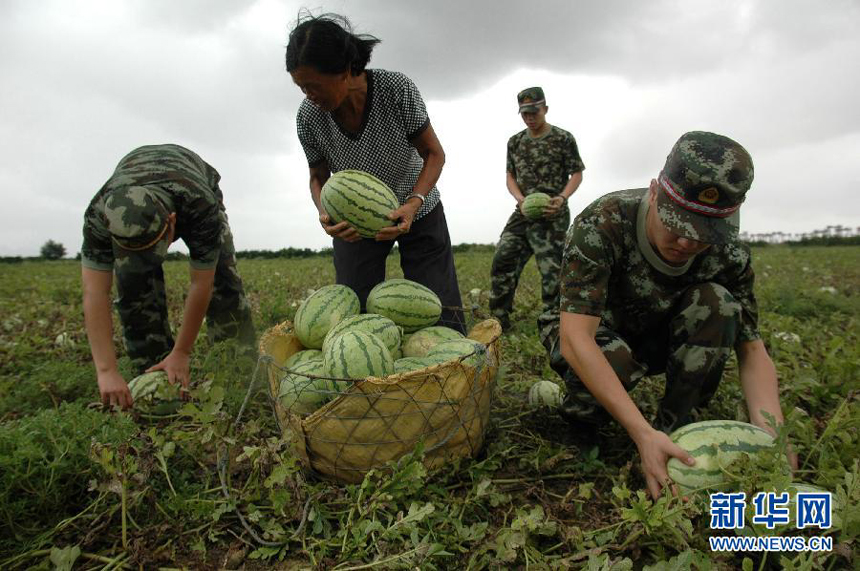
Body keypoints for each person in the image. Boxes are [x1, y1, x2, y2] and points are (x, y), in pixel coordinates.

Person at [546, 131, 797, 499]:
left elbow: (753, 352)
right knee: (612, 358)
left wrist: (773, 434)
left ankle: (677, 432)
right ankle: (583, 422)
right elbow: (575, 338)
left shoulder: (729, 256)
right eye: (677, 224)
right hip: (593, 332)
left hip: (657, 332)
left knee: (720, 304)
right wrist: (640, 433)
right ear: (653, 192)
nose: (687, 243)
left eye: (703, 233)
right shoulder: (603, 222)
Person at [285, 13, 466, 334]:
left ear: (343, 70)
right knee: (354, 309)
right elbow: (317, 176)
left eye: (313, 86)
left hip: (418, 208)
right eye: (300, 87)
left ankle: (454, 372)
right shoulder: (308, 117)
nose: (308, 96)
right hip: (356, 224)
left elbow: (434, 154)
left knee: (440, 308)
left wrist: (413, 202)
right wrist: (325, 212)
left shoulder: (395, 90)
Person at [81, 144, 255, 409]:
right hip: (137, 183)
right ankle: (156, 376)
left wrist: (182, 352)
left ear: (172, 222)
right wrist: (106, 371)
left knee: (223, 281)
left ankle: (237, 367)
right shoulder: (99, 216)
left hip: (196, 181)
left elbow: (202, 283)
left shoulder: (200, 207)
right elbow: (95, 292)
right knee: (134, 286)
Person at [489, 87, 584, 332]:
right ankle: (499, 318)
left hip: (553, 214)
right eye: (524, 114)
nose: (530, 118)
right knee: (503, 258)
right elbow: (509, 176)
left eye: (534, 112)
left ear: (545, 109)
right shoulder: (516, 142)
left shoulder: (563, 138)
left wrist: (562, 197)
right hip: (523, 212)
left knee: (552, 271)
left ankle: (553, 324)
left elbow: (577, 173)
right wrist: (520, 199)